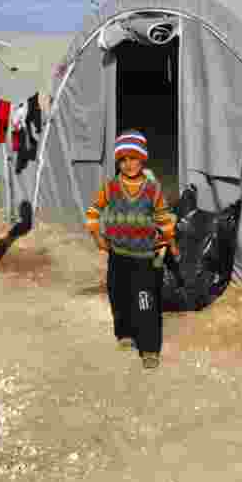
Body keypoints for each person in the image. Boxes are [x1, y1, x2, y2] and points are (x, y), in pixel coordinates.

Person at [85, 130, 178, 370]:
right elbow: (94, 211)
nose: (129, 164)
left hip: (144, 258)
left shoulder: (152, 189)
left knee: (145, 300)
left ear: (143, 159)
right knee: (119, 295)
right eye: (123, 160)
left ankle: (149, 347)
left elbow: (164, 219)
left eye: (134, 158)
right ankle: (124, 333)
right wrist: (97, 237)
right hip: (117, 255)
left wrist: (172, 243)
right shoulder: (111, 187)